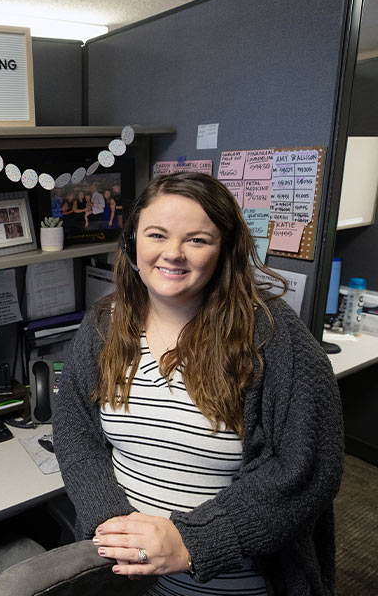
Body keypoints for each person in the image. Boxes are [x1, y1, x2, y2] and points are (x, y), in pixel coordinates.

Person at [52, 172, 343, 596]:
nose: (173, 254)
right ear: (133, 242)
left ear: (225, 249)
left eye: (197, 240)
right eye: (157, 234)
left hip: (235, 585)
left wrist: (192, 541)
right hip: (123, 581)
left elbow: (307, 469)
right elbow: (75, 427)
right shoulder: (105, 323)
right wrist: (109, 520)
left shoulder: (273, 336)